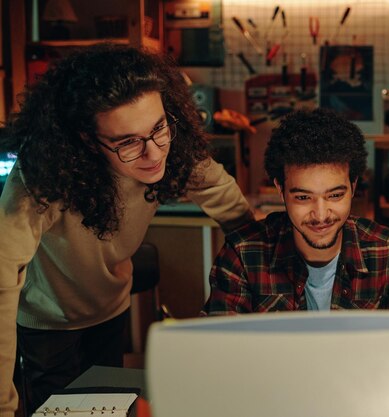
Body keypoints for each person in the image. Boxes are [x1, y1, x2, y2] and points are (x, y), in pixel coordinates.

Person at [0, 43, 254, 417]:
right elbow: (2, 279)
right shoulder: (41, 177)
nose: (154, 154)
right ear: (87, 140)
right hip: (48, 323)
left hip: (111, 308)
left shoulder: (170, 146)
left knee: (112, 408)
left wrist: (266, 265)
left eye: (158, 129)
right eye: (129, 143)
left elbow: (227, 200)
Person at [203, 108, 389, 314]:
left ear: (353, 187)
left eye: (335, 196)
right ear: (280, 190)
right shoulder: (242, 255)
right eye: (303, 197)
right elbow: (218, 350)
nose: (321, 215)